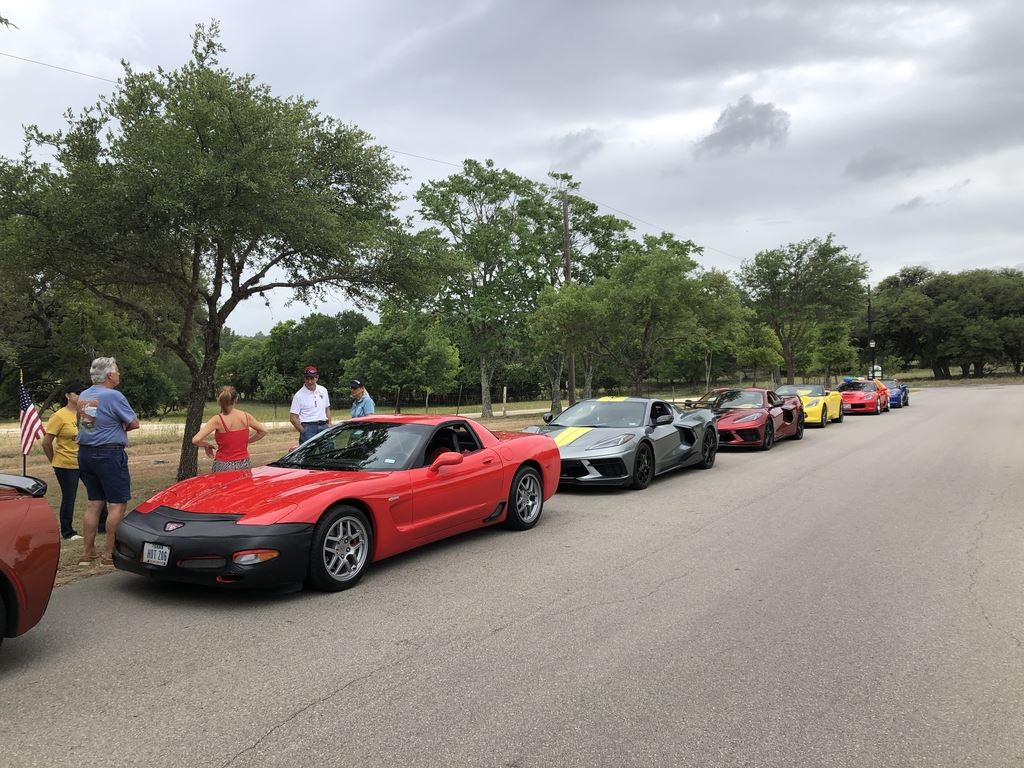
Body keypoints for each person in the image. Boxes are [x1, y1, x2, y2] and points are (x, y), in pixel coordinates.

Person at [76, 357, 140, 567]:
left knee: (94, 503)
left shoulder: (84, 395)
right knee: (117, 505)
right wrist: (120, 427)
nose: (119, 374)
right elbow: (133, 423)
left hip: (85, 454)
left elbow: (87, 425)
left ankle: (87, 553)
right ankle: (108, 554)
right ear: (110, 375)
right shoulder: (114, 396)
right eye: (117, 370)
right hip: (109, 454)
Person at [42, 383, 85, 540]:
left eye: (83, 393)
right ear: (68, 395)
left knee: (97, 493)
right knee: (69, 497)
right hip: (65, 464)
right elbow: (46, 442)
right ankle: (68, 532)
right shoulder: (59, 416)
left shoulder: (85, 413)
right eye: (78, 392)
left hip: (85, 461)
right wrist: (53, 459)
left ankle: (102, 524)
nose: (81, 395)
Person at [191, 385, 268, 471]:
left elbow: (195, 440)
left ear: (218, 400)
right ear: (236, 399)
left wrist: (206, 445)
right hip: (244, 463)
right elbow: (263, 431)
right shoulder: (246, 416)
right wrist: (247, 441)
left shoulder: (217, 420)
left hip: (223, 465)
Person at [290, 365, 331, 444]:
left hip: (324, 426)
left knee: (328, 452)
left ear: (317, 377)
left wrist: (329, 424)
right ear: (304, 378)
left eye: (312, 378)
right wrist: (304, 431)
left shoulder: (323, 390)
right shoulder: (298, 395)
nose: (309, 381)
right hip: (308, 427)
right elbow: (293, 418)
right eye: (307, 378)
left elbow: (327, 408)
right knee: (309, 455)